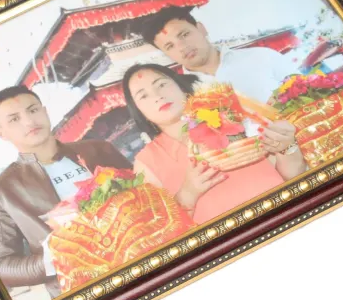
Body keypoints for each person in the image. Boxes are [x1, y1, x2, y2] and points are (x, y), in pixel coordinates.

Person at [0, 86, 132, 298]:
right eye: (14, 119)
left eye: (33, 110)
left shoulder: (98, 149)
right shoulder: (0, 191)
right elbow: (2, 266)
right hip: (83, 293)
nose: (29, 121)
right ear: (1, 133)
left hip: (138, 260)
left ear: (45, 111)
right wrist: (58, 254)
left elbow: (147, 196)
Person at [122, 64, 308, 226]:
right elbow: (162, 232)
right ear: (139, 112)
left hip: (289, 219)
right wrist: (187, 194)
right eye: (143, 96)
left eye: (161, 85)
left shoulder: (232, 117)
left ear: (181, 87)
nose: (157, 96)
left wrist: (288, 147)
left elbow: (293, 176)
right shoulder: (146, 164)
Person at [141, 5, 303, 161]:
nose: (182, 47)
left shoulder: (262, 57)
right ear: (166, 54)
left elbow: (308, 94)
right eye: (170, 46)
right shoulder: (183, 97)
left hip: (305, 146)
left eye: (184, 35)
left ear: (201, 28)